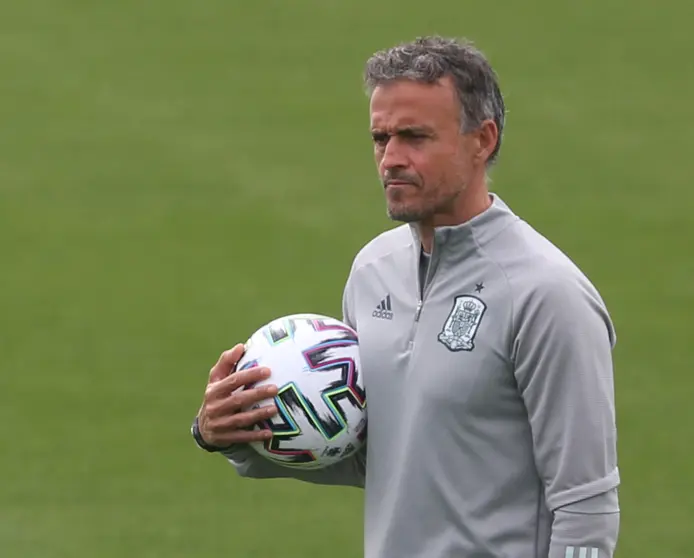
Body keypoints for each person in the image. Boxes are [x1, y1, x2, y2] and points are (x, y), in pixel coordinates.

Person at [192, 36, 621, 558]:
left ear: (482, 140)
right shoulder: (374, 271)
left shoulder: (546, 294)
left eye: (414, 137)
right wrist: (236, 434)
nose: (390, 159)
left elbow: (585, 506)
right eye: (381, 138)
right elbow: (381, 457)